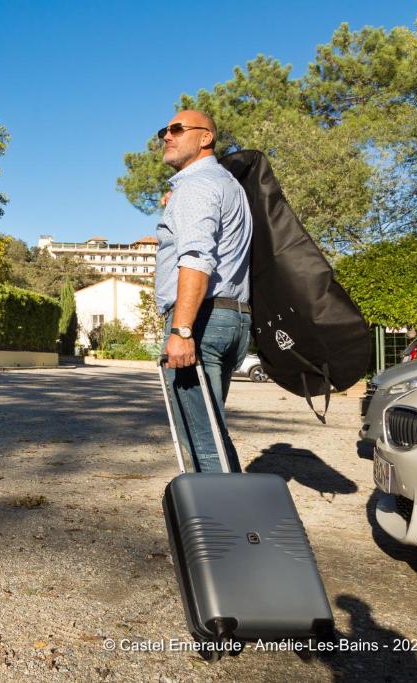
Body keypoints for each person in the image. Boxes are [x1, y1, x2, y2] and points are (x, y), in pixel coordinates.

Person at [156, 110, 252, 473]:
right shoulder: (228, 185)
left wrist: (181, 329)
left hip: (201, 320)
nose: (167, 135)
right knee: (212, 430)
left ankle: (229, 527)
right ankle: (233, 520)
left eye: (178, 129)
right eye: (165, 130)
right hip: (233, 318)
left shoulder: (197, 186)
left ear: (205, 138)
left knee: (203, 444)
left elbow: (197, 256)